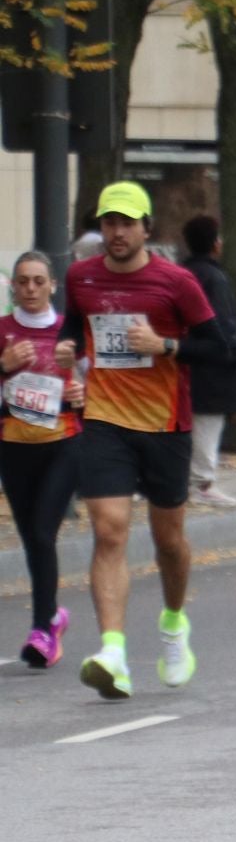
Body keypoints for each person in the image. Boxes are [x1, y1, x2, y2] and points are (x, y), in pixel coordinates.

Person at [56, 181, 236, 699]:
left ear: (146, 229)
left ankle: (174, 624)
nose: (116, 232)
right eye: (109, 222)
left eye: (126, 223)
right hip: (106, 419)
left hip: (164, 425)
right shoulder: (81, 276)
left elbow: (220, 348)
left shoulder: (176, 283)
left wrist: (166, 345)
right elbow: (73, 324)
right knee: (109, 531)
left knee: (168, 542)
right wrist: (68, 348)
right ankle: (113, 651)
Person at [1, 251, 85, 667]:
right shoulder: (2, 332)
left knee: (41, 532)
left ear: (53, 285)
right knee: (33, 539)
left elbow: (103, 383)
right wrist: (2, 366)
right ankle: (52, 616)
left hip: (64, 445)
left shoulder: (70, 332)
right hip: (14, 447)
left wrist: (82, 395)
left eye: (38, 281)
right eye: (23, 281)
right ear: (13, 287)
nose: (30, 289)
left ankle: (42, 630)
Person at [178, 215, 236, 508]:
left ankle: (190, 479)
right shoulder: (215, 278)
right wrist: (233, 355)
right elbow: (224, 325)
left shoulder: (182, 273)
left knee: (189, 423)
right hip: (213, 364)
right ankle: (202, 482)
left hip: (184, 359)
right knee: (207, 424)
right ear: (216, 244)